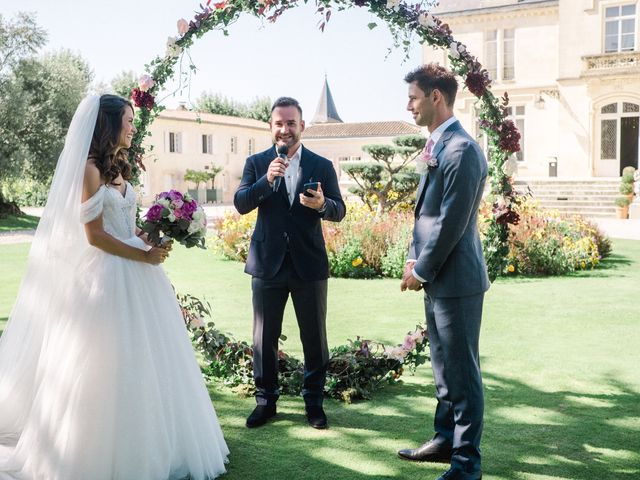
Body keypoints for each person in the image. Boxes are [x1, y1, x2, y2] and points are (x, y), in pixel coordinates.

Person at [0, 95, 229, 480]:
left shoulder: (119, 167)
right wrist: (141, 255)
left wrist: (152, 236)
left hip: (140, 271)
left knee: (150, 360)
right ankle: (92, 453)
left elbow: (125, 224)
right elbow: (94, 236)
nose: (132, 127)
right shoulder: (89, 170)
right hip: (105, 277)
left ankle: (158, 445)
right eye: (127, 120)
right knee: (105, 363)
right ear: (108, 123)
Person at [397, 64, 490, 480]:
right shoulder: (438, 145)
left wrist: (424, 269)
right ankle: (443, 439)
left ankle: (466, 464)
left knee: (462, 371)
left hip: (458, 280)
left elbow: (452, 221)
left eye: (414, 96)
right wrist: (414, 258)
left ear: (437, 97)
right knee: (442, 365)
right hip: (438, 278)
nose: (409, 104)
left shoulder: (462, 150)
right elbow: (427, 215)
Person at [234, 97, 345, 429]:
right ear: (270, 127)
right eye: (278, 124)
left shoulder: (321, 165)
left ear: (302, 126)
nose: (284, 129)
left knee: (314, 338)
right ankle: (265, 402)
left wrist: (324, 204)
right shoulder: (256, 163)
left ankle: (314, 403)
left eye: (291, 123)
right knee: (264, 338)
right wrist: (265, 181)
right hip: (267, 264)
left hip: (308, 264)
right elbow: (241, 203)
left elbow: (339, 210)